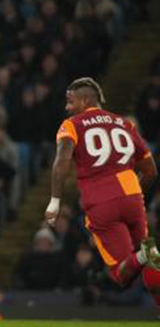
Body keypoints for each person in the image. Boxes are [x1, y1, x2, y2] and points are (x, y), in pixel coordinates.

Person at [45, 77, 160, 301]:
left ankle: (145, 254)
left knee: (122, 275)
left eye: (71, 102)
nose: (67, 107)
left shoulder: (72, 125)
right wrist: (133, 193)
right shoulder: (125, 123)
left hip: (100, 199)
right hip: (131, 193)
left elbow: (61, 162)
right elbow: (151, 171)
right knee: (149, 263)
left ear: (86, 99)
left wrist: (55, 201)